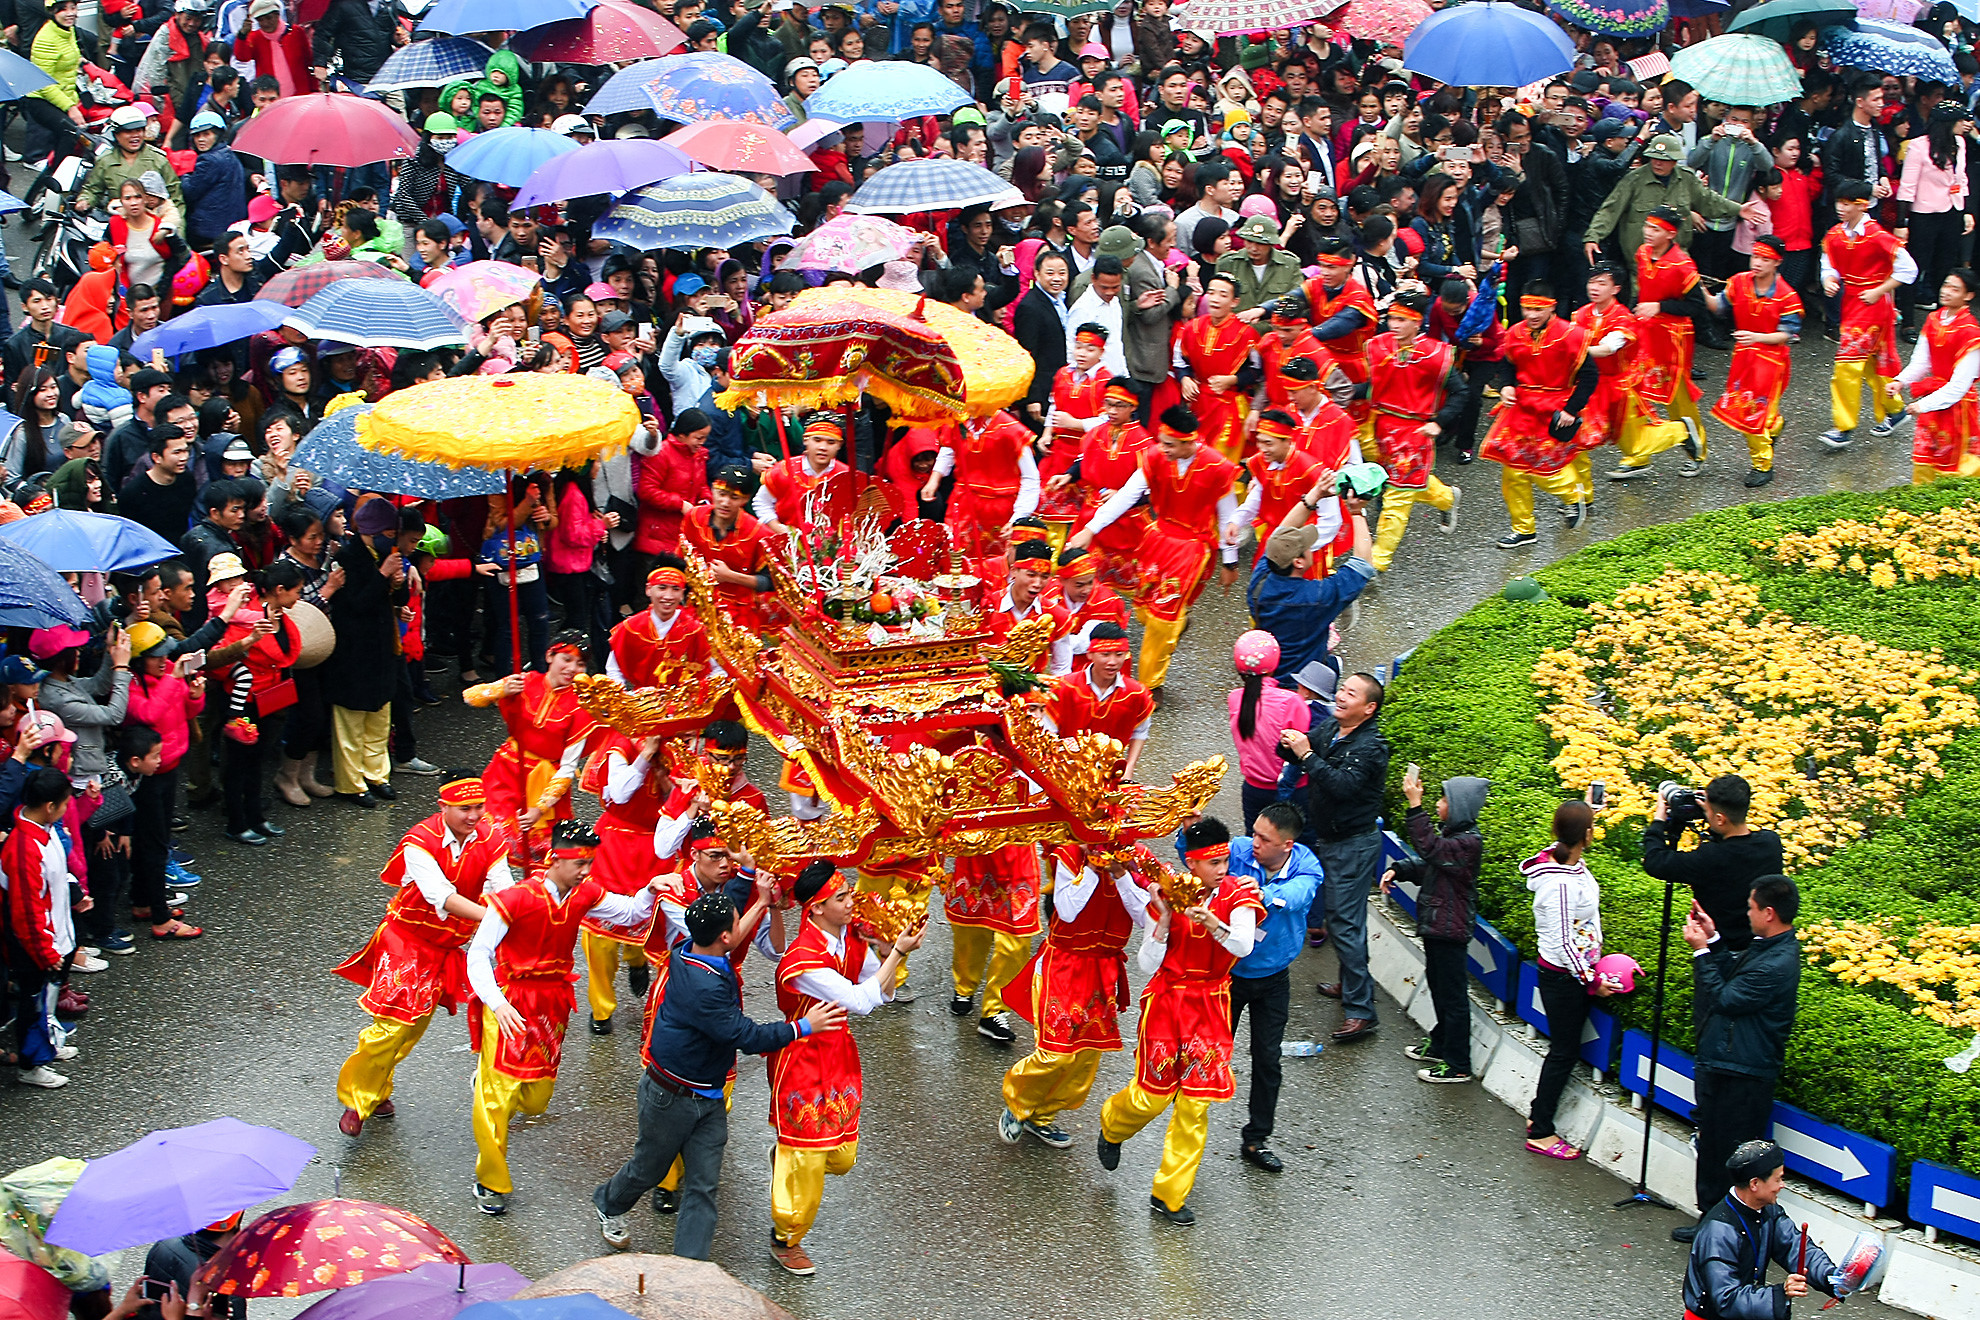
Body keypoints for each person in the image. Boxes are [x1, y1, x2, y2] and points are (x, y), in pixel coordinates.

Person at [593, 888, 842, 1256]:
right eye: (736, 923)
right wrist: (803, 1026)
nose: (740, 928)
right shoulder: (704, 986)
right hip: (671, 1097)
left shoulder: (691, 949)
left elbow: (726, 923)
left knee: (703, 1186)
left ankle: (688, 1270)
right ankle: (608, 1203)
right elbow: (747, 1036)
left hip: (706, 1098)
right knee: (649, 1169)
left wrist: (754, 889)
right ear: (724, 937)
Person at [464, 822, 661, 1215]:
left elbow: (629, 912)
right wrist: (497, 1003)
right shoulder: (515, 899)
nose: (587, 871)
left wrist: (653, 888)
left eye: (590, 862)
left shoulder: (584, 894)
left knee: (536, 1099)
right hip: (513, 1003)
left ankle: (486, 1079)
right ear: (556, 858)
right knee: (497, 1097)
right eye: (580, 863)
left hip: (552, 1005)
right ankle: (491, 1182)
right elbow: (478, 954)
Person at [1095, 816, 1263, 1226]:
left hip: (1210, 1004)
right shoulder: (1166, 897)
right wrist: (1165, 922)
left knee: (1196, 1104)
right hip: (1168, 1002)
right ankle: (1113, 1125)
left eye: (1225, 860)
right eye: (1212, 863)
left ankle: (1169, 1195)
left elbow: (1242, 946)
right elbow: (1147, 963)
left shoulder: (1239, 893)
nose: (1221, 870)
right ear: (1191, 863)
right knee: (1152, 1095)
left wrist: (1213, 923)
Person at [332, 772, 513, 1137]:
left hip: (445, 948)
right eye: (465, 808)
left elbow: (503, 885)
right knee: (392, 1026)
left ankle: (375, 1088)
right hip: (407, 941)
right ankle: (357, 1097)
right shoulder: (420, 842)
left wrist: (515, 910)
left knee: (411, 1029)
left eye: (479, 806)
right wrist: (503, 918)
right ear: (443, 806)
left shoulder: (490, 838)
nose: (475, 815)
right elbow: (443, 897)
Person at [769, 861, 924, 1275]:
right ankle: (786, 1237)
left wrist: (887, 954)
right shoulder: (804, 959)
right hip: (801, 1057)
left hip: (838, 1051)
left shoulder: (851, 940)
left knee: (841, 1156)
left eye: (849, 894)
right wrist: (896, 953)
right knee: (809, 1154)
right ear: (816, 908)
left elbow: (881, 992)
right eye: (841, 898)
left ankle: (787, 1157)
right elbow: (858, 1001)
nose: (851, 902)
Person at [1063, 407, 1239, 700]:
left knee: (1161, 617)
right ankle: (1178, 622)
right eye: (1161, 442)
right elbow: (1127, 495)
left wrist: (1230, 561)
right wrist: (1091, 530)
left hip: (1191, 547)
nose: (1162, 448)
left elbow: (1227, 517)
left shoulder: (1218, 468)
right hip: (1157, 538)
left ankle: (1148, 686)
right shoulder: (1156, 457)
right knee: (1144, 608)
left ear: (1188, 442)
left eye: (1169, 444)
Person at [1676, 875, 1805, 1242]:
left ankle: (1731, 1233)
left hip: (1745, 1073)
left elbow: (1727, 997)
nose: (1746, 913)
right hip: (1726, 1064)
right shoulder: (1767, 947)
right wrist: (1713, 939)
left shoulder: (1777, 963)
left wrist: (1700, 952)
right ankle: (1710, 1223)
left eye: (1751, 907)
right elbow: (1733, 972)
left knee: (1735, 1156)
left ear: (1768, 912)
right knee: (1713, 1147)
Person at [998, 845, 1153, 1150]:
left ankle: (1041, 1117)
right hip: (1064, 965)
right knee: (1055, 1053)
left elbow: (1145, 916)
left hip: (1103, 970)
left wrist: (1122, 873)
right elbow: (1067, 910)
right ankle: (1018, 1104)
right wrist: (1094, 867)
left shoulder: (1137, 857)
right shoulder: (1069, 855)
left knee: (1085, 1058)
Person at [1278, 671, 1390, 1043]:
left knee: (1345, 923)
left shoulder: (1370, 747)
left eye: (1351, 694)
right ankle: (1349, 986)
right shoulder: (1332, 729)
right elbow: (1305, 752)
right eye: (1342, 690)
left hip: (1353, 845)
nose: (1340, 696)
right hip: (1330, 838)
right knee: (1342, 918)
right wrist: (1289, 744)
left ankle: (1362, 1011)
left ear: (1369, 708)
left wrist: (1305, 753)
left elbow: (1341, 785)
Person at [1220, 801, 1320, 1171]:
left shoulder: (1307, 867)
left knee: (1267, 1059)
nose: (1252, 843)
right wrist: (1189, 833)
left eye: (1263, 838)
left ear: (1287, 846)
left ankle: (1257, 1138)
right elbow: (1200, 858)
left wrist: (1261, 894)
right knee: (1209, 1052)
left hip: (1273, 978)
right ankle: (1186, 1122)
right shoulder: (1240, 850)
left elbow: (1298, 897)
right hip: (1227, 974)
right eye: (1254, 833)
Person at [1382, 767, 1489, 1085]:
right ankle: (1442, 1042)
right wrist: (1399, 870)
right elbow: (1431, 864)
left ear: (1459, 807)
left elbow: (1431, 850)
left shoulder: (1468, 843)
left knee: (1452, 995)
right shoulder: (1454, 837)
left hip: (1449, 928)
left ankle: (1458, 1064)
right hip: (1437, 925)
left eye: (1443, 799)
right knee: (1441, 989)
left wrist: (1415, 805)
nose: (1438, 803)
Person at [1520, 798, 1611, 1158]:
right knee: (1563, 1052)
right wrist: (1591, 980)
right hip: (1563, 979)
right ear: (1586, 835)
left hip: (1569, 975)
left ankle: (1537, 1116)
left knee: (1562, 1050)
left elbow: (1563, 846)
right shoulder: (1557, 884)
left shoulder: (1562, 860)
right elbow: (1562, 941)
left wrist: (1585, 816)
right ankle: (1540, 1130)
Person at [461, 633, 596, 867]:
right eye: (566, 659)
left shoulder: (582, 705)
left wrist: (539, 808)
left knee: (542, 860)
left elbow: (567, 768)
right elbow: (470, 698)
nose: (572, 668)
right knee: (486, 840)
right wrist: (500, 689)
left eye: (580, 664)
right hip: (506, 772)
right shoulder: (525, 681)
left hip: (546, 784)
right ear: (550, 656)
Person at [1481, 283, 1595, 547]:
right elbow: (1508, 364)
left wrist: (1571, 409)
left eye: (1538, 309)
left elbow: (1589, 376)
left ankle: (1573, 495)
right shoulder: (1514, 333)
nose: (1531, 315)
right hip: (1521, 408)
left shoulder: (1573, 335)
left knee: (1546, 466)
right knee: (1513, 469)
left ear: (1552, 306)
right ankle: (1523, 529)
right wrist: (1506, 385)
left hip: (1555, 407)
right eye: (1527, 308)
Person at [1682, 1140, 1848, 1316]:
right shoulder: (1718, 1232)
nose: (1782, 1186)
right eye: (1778, 1179)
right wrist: (1780, 1293)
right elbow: (1726, 1299)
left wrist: (1834, 1278)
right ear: (1754, 1184)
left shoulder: (1768, 1212)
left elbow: (1796, 1247)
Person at [1363, 290, 1462, 570]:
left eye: (1401, 319)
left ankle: (1376, 563)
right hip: (1380, 429)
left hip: (1414, 434)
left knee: (1397, 499)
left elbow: (1460, 392)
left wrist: (1439, 422)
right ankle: (1446, 498)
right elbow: (1373, 387)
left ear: (1417, 322)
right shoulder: (1379, 346)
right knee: (1409, 482)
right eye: (1391, 318)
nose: (1393, 325)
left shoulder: (1436, 354)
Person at [1641, 774, 1784, 956]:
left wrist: (1659, 820)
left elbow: (1656, 862)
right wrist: (1712, 814)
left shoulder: (1710, 858)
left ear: (1720, 819)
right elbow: (1734, 846)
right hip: (1765, 948)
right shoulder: (1771, 842)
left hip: (1724, 954)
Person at [1820, 180, 1917, 449]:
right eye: (1839, 202)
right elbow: (1828, 263)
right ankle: (1895, 410)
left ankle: (1844, 426)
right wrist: (1829, 279)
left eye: (1847, 203)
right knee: (1875, 363)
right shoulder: (1835, 235)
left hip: (1872, 305)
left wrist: (1879, 290)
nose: (1840, 208)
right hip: (1852, 302)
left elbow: (1909, 270)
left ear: (1862, 205)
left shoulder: (1879, 236)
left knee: (1847, 364)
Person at [3, 768, 82, 1089]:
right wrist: (46, 953)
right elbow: (27, 911)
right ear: (50, 806)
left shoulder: (42, 830)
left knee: (46, 1001)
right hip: (37, 946)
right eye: (64, 802)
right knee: (34, 1004)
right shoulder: (25, 848)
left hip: (54, 938)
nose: (67, 807)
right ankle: (30, 1063)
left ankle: (48, 1044)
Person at [1616, 206, 1707, 479]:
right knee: (1637, 394)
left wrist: (1660, 306)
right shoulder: (1643, 254)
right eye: (1646, 226)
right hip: (1645, 333)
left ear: (1670, 234)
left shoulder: (1683, 265)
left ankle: (1697, 450)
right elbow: (1641, 290)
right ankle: (1640, 453)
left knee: (1676, 399)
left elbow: (1697, 306)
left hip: (1673, 339)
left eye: (1654, 229)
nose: (1647, 232)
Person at [1706, 236, 1802, 488]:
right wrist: (1698, 290)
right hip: (1744, 358)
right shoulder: (1738, 282)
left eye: (1765, 259)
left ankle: (1762, 465)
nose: (1757, 263)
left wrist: (1757, 337)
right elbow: (1718, 306)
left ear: (1777, 263)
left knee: (1752, 413)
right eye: (1755, 256)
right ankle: (1775, 425)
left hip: (1770, 363)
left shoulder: (1787, 296)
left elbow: (1787, 334)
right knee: (1750, 409)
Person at [1898, 268, 1980, 483]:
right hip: (1934, 401)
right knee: (1924, 459)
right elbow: (1921, 362)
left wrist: (1923, 406)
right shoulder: (1933, 319)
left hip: (1956, 408)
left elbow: (1959, 386)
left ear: (1968, 296)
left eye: (1955, 289)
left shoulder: (1970, 332)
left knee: (1953, 466)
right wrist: (1900, 381)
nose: (1947, 292)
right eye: (1946, 285)